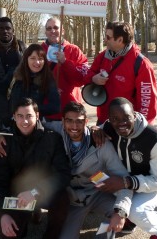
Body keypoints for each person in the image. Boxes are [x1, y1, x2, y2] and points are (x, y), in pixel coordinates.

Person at [96, 97, 157, 239]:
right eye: (115, 119)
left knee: (137, 210)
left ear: (134, 115)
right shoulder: (109, 127)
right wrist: (94, 129)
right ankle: (128, 219)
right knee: (99, 182)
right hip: (130, 178)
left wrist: (126, 182)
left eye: (126, 117)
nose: (121, 123)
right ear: (110, 120)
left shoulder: (154, 138)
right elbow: (96, 129)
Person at [43, 101, 132, 238]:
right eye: (69, 121)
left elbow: (123, 180)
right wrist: (2, 135)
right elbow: (31, 123)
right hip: (73, 199)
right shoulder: (57, 131)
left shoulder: (101, 143)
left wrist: (120, 212)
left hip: (97, 192)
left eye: (79, 121)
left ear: (86, 121)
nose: (74, 126)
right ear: (62, 121)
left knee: (120, 212)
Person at [0, 98, 70, 239]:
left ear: (37, 116)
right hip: (18, 197)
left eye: (29, 116)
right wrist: (3, 214)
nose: (25, 121)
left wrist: (35, 192)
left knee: (62, 198)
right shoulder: (4, 141)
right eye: (20, 116)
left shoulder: (52, 138)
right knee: (8, 233)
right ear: (14, 117)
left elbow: (63, 174)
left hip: (42, 192)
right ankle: (23, 222)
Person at [84, 21, 157, 125]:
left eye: (108, 37)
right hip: (104, 120)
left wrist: (142, 128)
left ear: (120, 40)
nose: (105, 40)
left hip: (126, 124)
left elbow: (147, 101)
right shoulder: (102, 57)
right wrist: (93, 78)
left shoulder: (141, 64)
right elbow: (87, 75)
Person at [0, 44, 60, 129]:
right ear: (26, 59)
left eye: (40, 59)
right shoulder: (14, 74)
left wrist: (31, 110)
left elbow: (55, 106)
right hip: (11, 125)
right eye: (33, 58)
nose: (37, 62)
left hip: (34, 126)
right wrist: (6, 116)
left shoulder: (47, 78)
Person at [41, 17, 88, 120]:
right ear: (45, 32)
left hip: (71, 111)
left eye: (56, 28)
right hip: (47, 110)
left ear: (62, 31)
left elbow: (81, 80)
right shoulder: (39, 50)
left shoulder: (74, 50)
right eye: (49, 28)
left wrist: (65, 62)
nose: (52, 31)